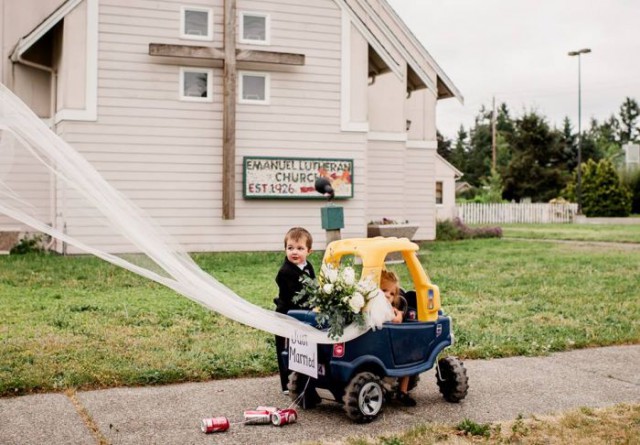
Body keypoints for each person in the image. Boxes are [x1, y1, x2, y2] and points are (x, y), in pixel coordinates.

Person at [273, 227, 320, 406]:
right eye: (290, 247)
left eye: (300, 248)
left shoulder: (308, 267)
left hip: (302, 315)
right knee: (285, 348)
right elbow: (293, 296)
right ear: (285, 249)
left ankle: (302, 378)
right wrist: (311, 304)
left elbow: (313, 286)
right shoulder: (285, 272)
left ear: (309, 251)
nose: (294, 252)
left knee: (300, 346)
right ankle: (286, 382)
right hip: (286, 314)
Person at [380, 270, 417, 407]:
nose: (387, 295)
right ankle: (400, 391)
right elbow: (396, 320)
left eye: (391, 293)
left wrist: (400, 313)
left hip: (389, 343)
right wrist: (400, 315)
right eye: (384, 290)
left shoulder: (391, 308)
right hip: (386, 346)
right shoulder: (381, 309)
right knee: (407, 358)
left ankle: (402, 391)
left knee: (407, 358)